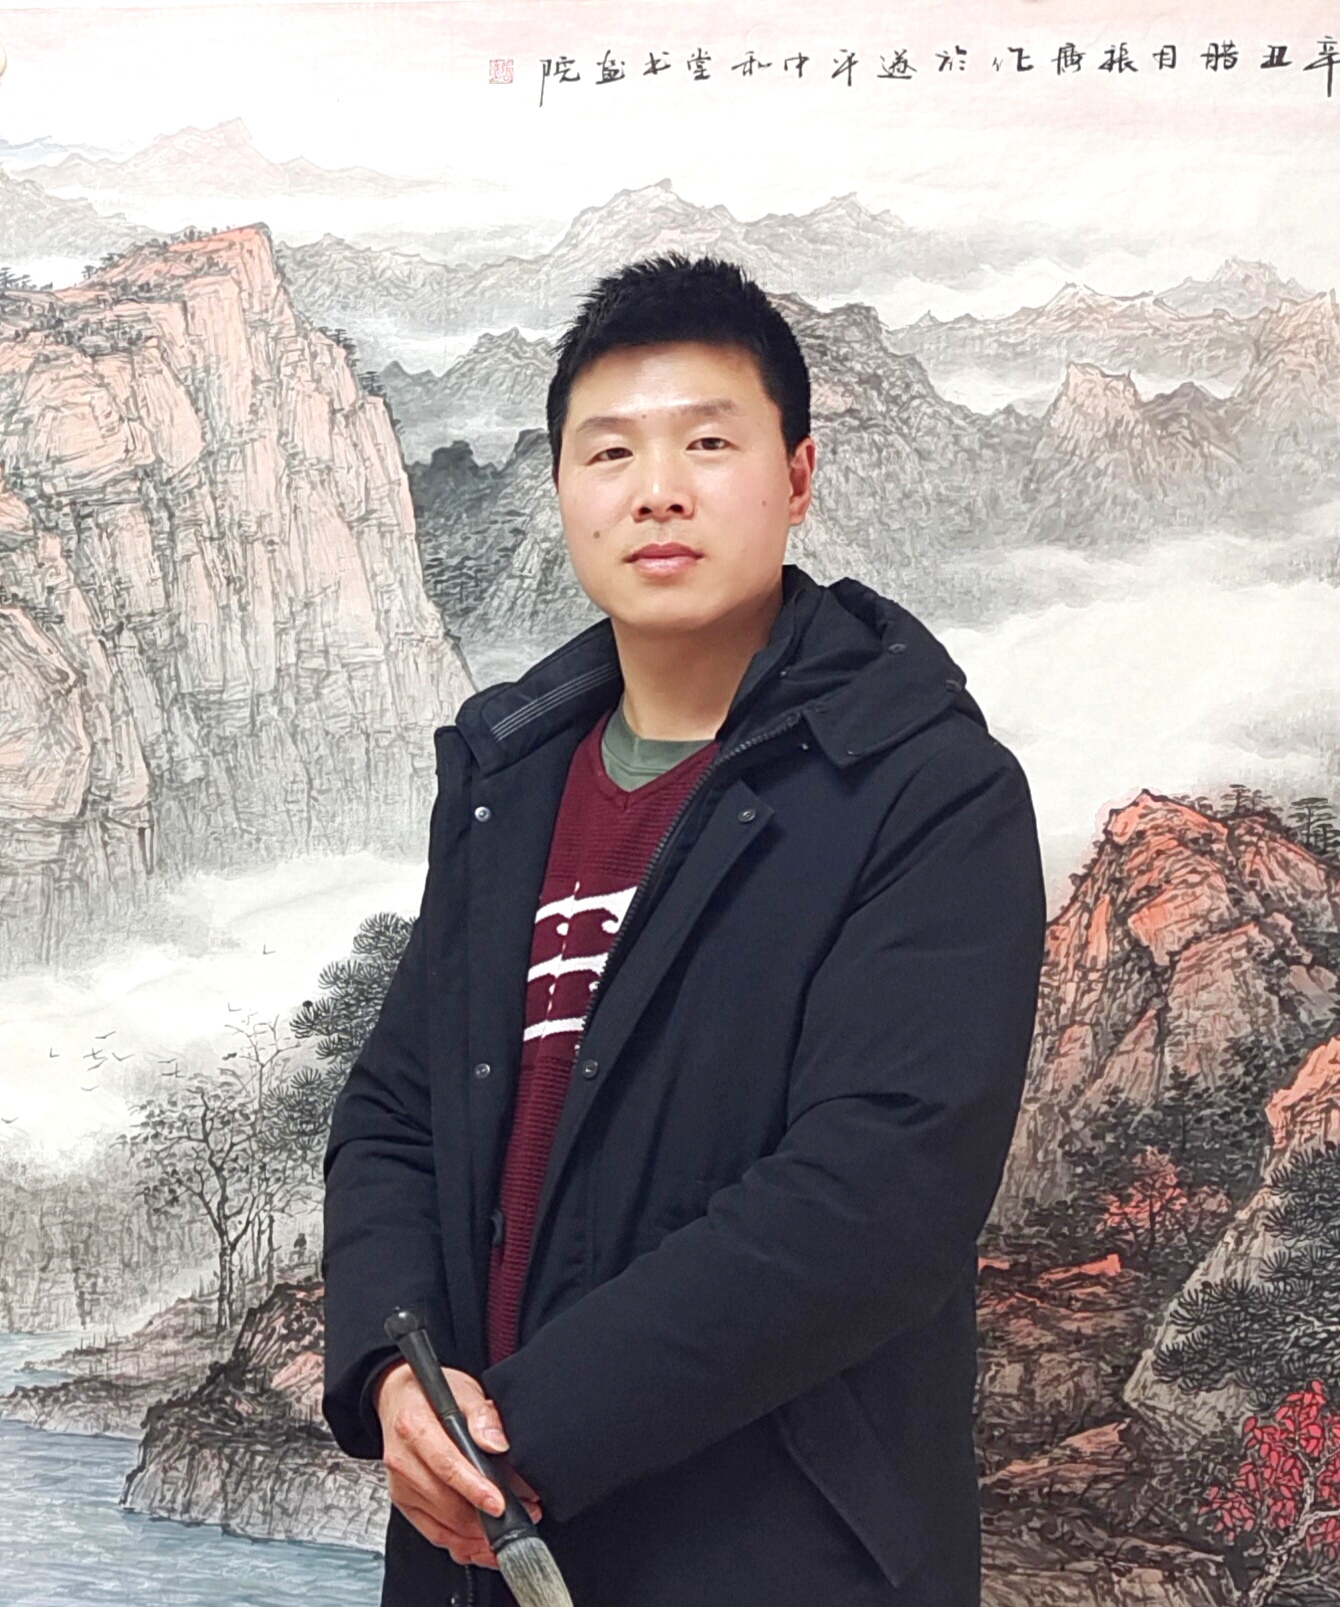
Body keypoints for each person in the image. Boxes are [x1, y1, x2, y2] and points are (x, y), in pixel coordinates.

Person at [322, 252, 1047, 1607]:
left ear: (798, 476)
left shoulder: (926, 786)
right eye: (610, 451)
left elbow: (877, 1195)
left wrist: (522, 1436)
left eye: (708, 443)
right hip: (479, 1552)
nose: (657, 489)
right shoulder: (506, 783)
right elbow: (395, 1118)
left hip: (776, 1555)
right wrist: (392, 1374)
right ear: (561, 492)